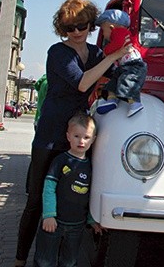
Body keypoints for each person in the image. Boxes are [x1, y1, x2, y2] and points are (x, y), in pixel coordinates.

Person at [15, 0, 129, 267]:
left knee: (73, 195)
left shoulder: (96, 54)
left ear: (91, 24)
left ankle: (65, 255)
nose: (77, 32)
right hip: (52, 133)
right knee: (36, 199)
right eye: (69, 28)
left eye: (82, 25)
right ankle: (20, 258)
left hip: (78, 133)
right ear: (62, 29)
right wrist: (113, 55)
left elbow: (116, 76)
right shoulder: (57, 52)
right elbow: (81, 83)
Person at [33, 112, 102, 267]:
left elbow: (88, 195)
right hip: (54, 223)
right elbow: (49, 188)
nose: (81, 141)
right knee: (44, 261)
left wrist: (92, 219)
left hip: (77, 226)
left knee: (69, 262)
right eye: (77, 136)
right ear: (68, 136)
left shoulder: (91, 166)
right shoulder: (61, 161)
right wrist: (49, 215)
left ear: (94, 139)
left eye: (86, 137)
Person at [95, 9, 147, 117]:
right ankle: (111, 100)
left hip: (132, 64)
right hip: (125, 65)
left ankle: (135, 103)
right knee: (113, 83)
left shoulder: (119, 33)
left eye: (103, 31)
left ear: (111, 27)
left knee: (128, 82)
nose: (104, 35)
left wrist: (107, 51)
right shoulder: (122, 33)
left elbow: (118, 44)